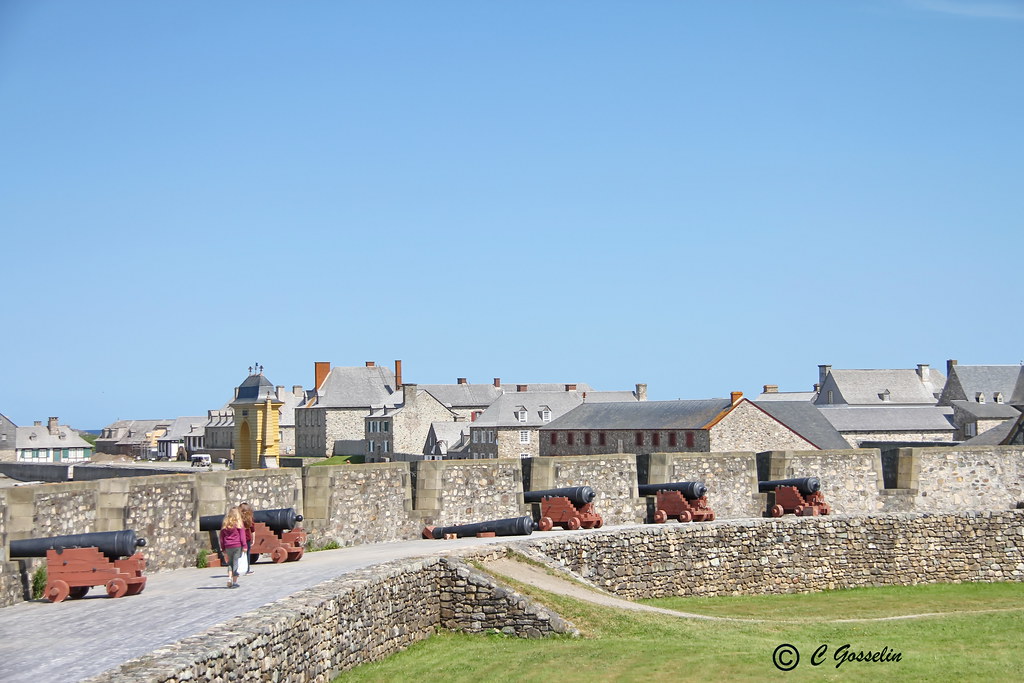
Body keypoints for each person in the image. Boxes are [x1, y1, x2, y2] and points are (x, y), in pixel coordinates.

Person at [219, 506, 246, 588]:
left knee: (230, 563)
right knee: (236, 563)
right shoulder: (238, 524)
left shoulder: (225, 524)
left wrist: (223, 548)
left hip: (228, 546)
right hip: (237, 545)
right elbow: (242, 536)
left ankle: (229, 578)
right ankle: (234, 582)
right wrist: (244, 546)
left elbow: (221, 537)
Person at [239, 502, 256, 575]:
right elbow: (253, 530)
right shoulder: (249, 518)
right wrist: (253, 539)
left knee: (239, 554)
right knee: (247, 554)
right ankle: (247, 569)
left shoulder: (238, 518)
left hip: (239, 539)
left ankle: (237, 569)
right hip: (247, 538)